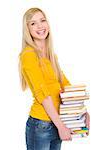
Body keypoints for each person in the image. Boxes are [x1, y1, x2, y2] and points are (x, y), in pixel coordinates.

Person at [18, 7, 90, 150]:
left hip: (57, 123)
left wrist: (82, 113)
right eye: (33, 23)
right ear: (27, 30)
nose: (40, 26)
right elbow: (43, 95)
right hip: (41, 126)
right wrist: (61, 126)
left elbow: (66, 87)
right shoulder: (28, 55)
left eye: (42, 20)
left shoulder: (51, 56)